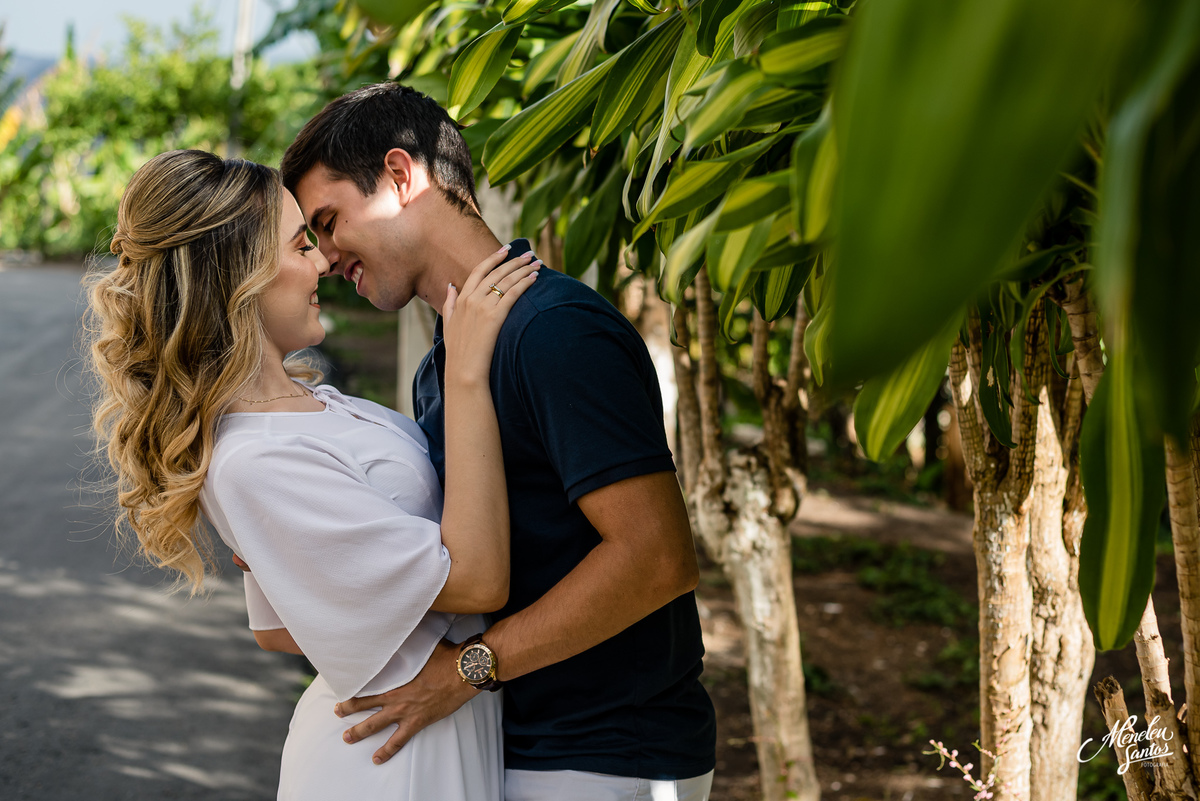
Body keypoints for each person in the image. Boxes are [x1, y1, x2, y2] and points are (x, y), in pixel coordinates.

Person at [278, 82, 717, 800]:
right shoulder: (444, 370)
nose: (325, 257)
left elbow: (657, 557)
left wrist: (467, 670)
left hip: (606, 756)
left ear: (400, 176)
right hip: (515, 745)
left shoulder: (554, 330)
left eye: (329, 222)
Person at [85, 148, 540, 800]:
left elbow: (276, 627)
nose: (324, 261)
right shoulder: (253, 460)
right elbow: (480, 579)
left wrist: (315, 573)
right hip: (389, 759)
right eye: (301, 245)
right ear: (239, 276)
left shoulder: (314, 403)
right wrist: (468, 376)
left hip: (428, 726)